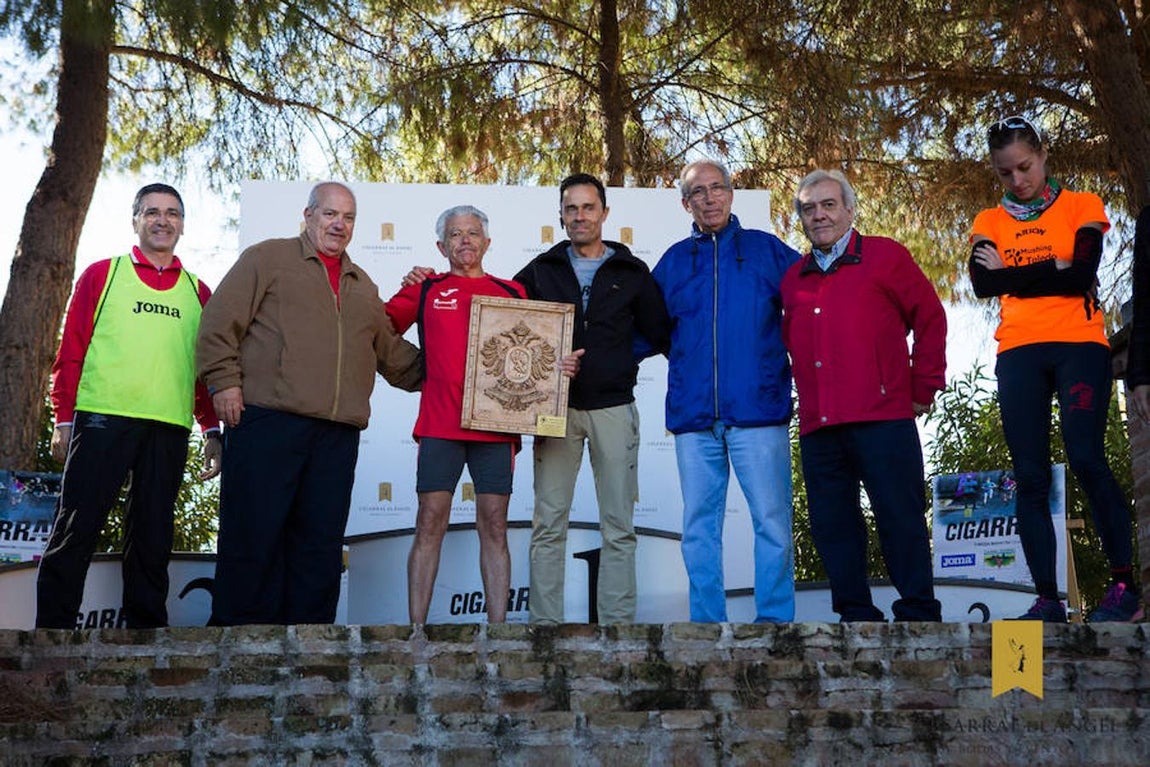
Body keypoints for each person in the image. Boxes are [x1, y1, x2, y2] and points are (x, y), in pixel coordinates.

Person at [196, 181, 423, 626]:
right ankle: (240, 642)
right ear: (308, 215)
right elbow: (218, 323)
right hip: (268, 421)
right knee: (254, 535)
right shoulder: (268, 258)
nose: (339, 224)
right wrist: (223, 383)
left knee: (320, 544)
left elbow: (395, 358)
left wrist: (458, 369)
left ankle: (312, 643)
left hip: (337, 434)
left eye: (348, 217)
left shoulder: (362, 286)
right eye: (330, 214)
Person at [969, 115, 1140, 623]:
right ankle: (1047, 599)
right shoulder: (989, 220)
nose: (1017, 179)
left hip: (1079, 345)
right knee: (1029, 475)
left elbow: (1082, 273)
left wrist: (1014, 275)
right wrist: (1054, 269)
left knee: (1087, 459)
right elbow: (982, 284)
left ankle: (1124, 588)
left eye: (1025, 166)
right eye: (1005, 172)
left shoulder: (1082, 205)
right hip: (1018, 350)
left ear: (1043, 156)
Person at [36, 183, 221, 630]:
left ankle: (147, 633)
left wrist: (212, 430)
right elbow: (72, 351)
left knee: (153, 534)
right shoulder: (103, 274)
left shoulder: (199, 291)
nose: (163, 220)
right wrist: (63, 419)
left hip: (168, 426)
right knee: (77, 525)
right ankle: (52, 634)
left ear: (183, 225)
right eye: (152, 212)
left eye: (172, 213)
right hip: (103, 418)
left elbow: (204, 371)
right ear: (135, 220)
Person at [782, 169, 946, 622]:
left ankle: (918, 611)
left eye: (828, 205)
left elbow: (930, 318)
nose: (819, 215)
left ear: (850, 210)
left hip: (884, 417)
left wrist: (923, 386)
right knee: (832, 526)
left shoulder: (885, 256)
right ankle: (855, 615)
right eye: (809, 209)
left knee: (900, 515)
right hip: (820, 425)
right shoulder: (793, 278)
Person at [514, 174, 670, 625]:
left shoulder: (632, 272)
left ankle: (618, 628)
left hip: (614, 406)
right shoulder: (540, 271)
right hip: (554, 411)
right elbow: (508, 328)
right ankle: (544, 627)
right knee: (548, 523)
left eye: (588, 207)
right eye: (571, 208)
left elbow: (660, 333)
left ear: (604, 213)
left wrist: (615, 358)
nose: (579, 216)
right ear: (561, 216)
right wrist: (547, 361)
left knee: (618, 526)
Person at [652, 159, 800, 623]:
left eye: (717, 188)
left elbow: (812, 307)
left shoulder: (767, 251)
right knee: (698, 529)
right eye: (698, 192)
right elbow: (645, 330)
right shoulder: (673, 262)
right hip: (694, 418)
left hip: (759, 412)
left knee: (772, 523)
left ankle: (775, 622)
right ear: (685, 204)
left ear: (732, 194)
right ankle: (706, 626)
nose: (709, 198)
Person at [384, 205, 528, 625]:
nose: (465, 240)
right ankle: (416, 631)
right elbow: (377, 330)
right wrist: (413, 372)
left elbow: (536, 349)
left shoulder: (513, 292)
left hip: (496, 428)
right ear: (441, 245)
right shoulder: (426, 288)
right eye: (455, 234)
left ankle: (498, 633)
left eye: (472, 233)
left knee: (495, 525)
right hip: (440, 425)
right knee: (429, 521)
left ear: (487, 242)